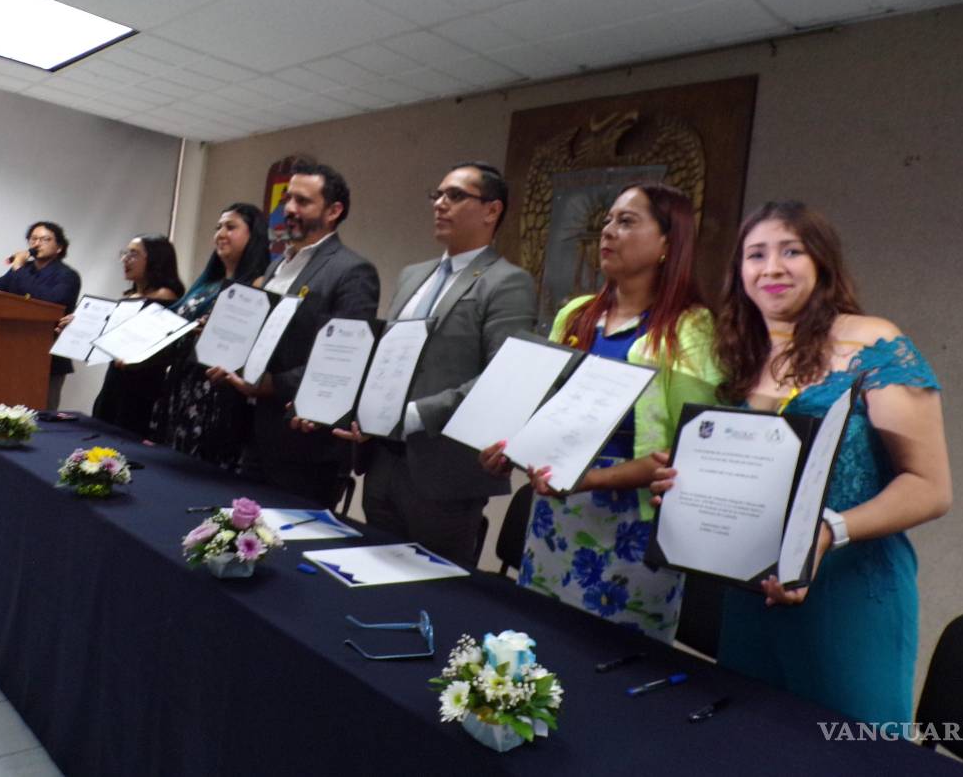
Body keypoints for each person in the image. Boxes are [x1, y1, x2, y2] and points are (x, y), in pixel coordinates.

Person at [651, 200, 951, 724]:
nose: (771, 268)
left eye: (791, 251)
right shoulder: (744, 353)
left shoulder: (873, 343)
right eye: (755, 254)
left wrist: (830, 530)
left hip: (848, 588)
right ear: (739, 271)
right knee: (754, 740)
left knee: (849, 753)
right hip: (754, 589)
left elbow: (930, 487)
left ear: (822, 264)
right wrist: (686, 486)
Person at [480, 184, 721, 642]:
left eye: (627, 222)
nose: (608, 231)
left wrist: (590, 481)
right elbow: (546, 410)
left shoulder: (689, 327)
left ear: (669, 243)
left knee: (612, 664)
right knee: (537, 650)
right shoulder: (576, 314)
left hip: (634, 523)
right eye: (609, 220)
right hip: (556, 511)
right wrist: (507, 445)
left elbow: (694, 448)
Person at [334, 162, 536, 566]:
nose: (440, 204)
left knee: (432, 597)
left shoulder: (506, 282)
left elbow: (504, 376)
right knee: (370, 576)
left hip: (445, 474)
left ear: (491, 211)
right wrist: (365, 411)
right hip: (383, 461)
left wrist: (414, 415)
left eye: (456, 195)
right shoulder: (413, 275)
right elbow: (389, 360)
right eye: (438, 195)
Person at [209, 163, 379, 507]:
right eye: (288, 200)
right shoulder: (278, 266)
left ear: (333, 211)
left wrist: (272, 384)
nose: (289, 209)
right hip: (256, 433)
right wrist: (231, 359)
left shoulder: (352, 271)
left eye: (302, 201)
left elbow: (345, 360)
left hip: (305, 447)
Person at [150, 203, 270, 469]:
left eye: (231, 227)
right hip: (183, 386)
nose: (220, 234)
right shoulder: (207, 283)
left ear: (254, 236)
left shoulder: (258, 284)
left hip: (217, 394)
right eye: (218, 227)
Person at [0, 220, 81, 410]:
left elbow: (49, 300)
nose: (37, 244)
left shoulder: (67, 276)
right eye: (33, 239)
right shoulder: (25, 270)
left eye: (45, 239)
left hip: (49, 357)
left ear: (59, 247)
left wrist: (18, 268)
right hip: (14, 354)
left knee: (42, 413)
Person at [87, 235, 186, 437]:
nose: (125, 259)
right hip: (115, 380)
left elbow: (160, 346)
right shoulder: (128, 297)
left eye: (133, 254)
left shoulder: (165, 296)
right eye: (124, 254)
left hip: (142, 384)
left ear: (155, 260)